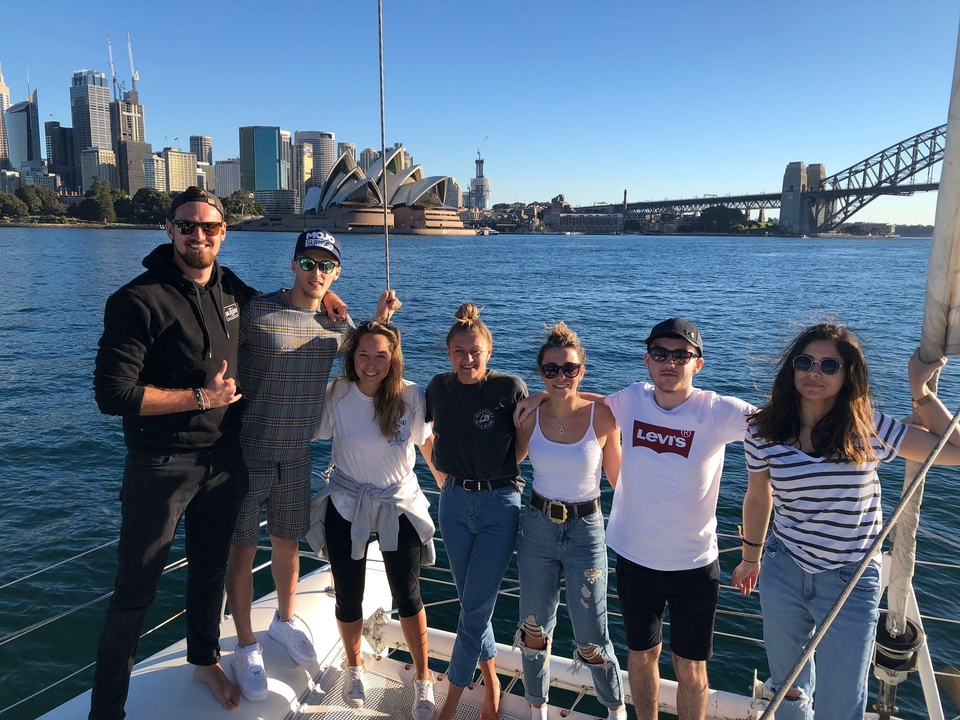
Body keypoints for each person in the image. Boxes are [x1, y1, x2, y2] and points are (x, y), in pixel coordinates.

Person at [515, 317, 752, 720]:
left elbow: (777, 426)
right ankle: (545, 709)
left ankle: (614, 709)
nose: (670, 362)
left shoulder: (712, 411)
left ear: (698, 363)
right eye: (660, 353)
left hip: (681, 558)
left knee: (674, 664)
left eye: (681, 355)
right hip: (618, 551)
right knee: (557, 632)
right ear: (647, 360)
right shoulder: (629, 400)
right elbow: (566, 409)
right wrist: (541, 396)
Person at [731, 323, 960, 720]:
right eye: (805, 362)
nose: (814, 372)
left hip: (850, 581)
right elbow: (757, 496)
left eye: (829, 366)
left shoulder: (868, 427)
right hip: (783, 569)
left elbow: (954, 450)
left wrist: (920, 391)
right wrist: (751, 558)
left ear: (847, 374)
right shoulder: (762, 429)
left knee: (841, 703)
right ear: (791, 368)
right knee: (786, 689)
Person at [91, 187, 256, 717]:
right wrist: (201, 398)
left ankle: (205, 660)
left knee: (210, 569)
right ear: (169, 229)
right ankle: (106, 711)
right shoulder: (137, 300)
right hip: (161, 465)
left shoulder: (229, 287)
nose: (198, 235)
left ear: (223, 232)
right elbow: (112, 394)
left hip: (224, 460)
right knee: (135, 590)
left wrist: (327, 298)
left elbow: (279, 305)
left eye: (209, 227)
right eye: (187, 226)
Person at [225, 229, 399, 702]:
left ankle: (284, 619)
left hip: (297, 455)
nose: (315, 272)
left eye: (325, 266)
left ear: (336, 272)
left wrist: (381, 316)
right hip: (247, 451)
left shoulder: (336, 326)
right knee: (242, 550)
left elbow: (368, 354)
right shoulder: (256, 310)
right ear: (293, 264)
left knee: (288, 542)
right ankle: (245, 644)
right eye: (307, 262)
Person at [305, 321, 438, 720]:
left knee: (408, 595)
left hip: (399, 502)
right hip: (347, 501)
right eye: (363, 354)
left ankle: (423, 678)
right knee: (348, 595)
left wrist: (447, 481)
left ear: (393, 358)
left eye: (381, 356)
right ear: (352, 356)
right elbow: (312, 432)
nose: (371, 364)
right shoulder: (338, 392)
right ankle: (355, 667)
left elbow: (426, 441)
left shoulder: (411, 395)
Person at [514, 323, 627, 720]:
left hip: (586, 530)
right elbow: (507, 462)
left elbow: (620, 481)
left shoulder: (604, 418)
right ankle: (537, 709)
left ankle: (615, 710)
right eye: (551, 370)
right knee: (533, 627)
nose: (561, 376)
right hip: (537, 526)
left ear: (582, 369)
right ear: (540, 372)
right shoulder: (528, 416)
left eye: (570, 368)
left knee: (592, 636)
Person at [426, 303, 528, 720]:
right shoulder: (438, 387)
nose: (468, 359)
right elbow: (418, 427)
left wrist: (497, 472)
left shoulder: (509, 388)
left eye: (475, 352)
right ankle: (492, 684)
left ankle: (450, 706)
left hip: (499, 504)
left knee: (474, 606)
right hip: (452, 501)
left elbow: (524, 442)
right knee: (473, 604)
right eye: (460, 352)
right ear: (448, 353)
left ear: (489, 351)